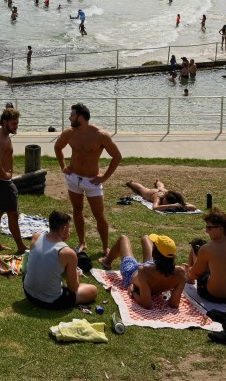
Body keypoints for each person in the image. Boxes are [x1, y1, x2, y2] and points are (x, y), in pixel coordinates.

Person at [53, 102, 122, 255]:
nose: (70, 117)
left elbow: (117, 156)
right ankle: (82, 242)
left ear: (81, 117)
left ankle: (105, 247)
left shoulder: (100, 135)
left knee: (99, 214)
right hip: (73, 178)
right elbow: (58, 147)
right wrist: (63, 166)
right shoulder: (69, 133)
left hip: (92, 181)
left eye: (72, 115)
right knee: (77, 210)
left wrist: (104, 177)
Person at [22, 210, 98, 310]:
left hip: (29, 292)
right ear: (64, 228)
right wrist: (77, 275)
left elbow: (42, 262)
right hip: (51, 301)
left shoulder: (36, 237)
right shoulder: (68, 253)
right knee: (93, 290)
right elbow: (73, 287)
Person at [98, 234, 186, 310]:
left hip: (132, 273)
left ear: (154, 253)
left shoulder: (143, 271)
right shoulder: (181, 273)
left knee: (123, 238)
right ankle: (107, 261)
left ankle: (106, 262)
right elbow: (174, 304)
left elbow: (146, 304)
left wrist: (133, 292)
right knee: (146, 238)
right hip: (156, 267)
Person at [185, 207, 226, 303]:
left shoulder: (208, 248)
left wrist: (189, 269)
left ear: (221, 229)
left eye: (209, 228)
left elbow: (195, 274)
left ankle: (188, 279)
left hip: (213, 295)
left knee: (196, 245)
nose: (206, 231)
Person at [0, 107, 26, 253]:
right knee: (13, 214)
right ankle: (21, 247)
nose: (16, 126)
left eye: (17, 123)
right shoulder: (3, 139)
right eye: (14, 124)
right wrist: (5, 175)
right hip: (2, 182)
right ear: (5, 122)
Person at [124, 179, 198, 212]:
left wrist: (181, 205)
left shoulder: (174, 199)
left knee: (161, 187)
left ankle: (158, 181)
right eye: (165, 202)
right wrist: (170, 206)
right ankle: (131, 183)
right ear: (165, 198)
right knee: (142, 189)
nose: (165, 204)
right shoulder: (158, 198)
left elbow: (194, 207)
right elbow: (155, 207)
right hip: (152, 193)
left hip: (162, 191)